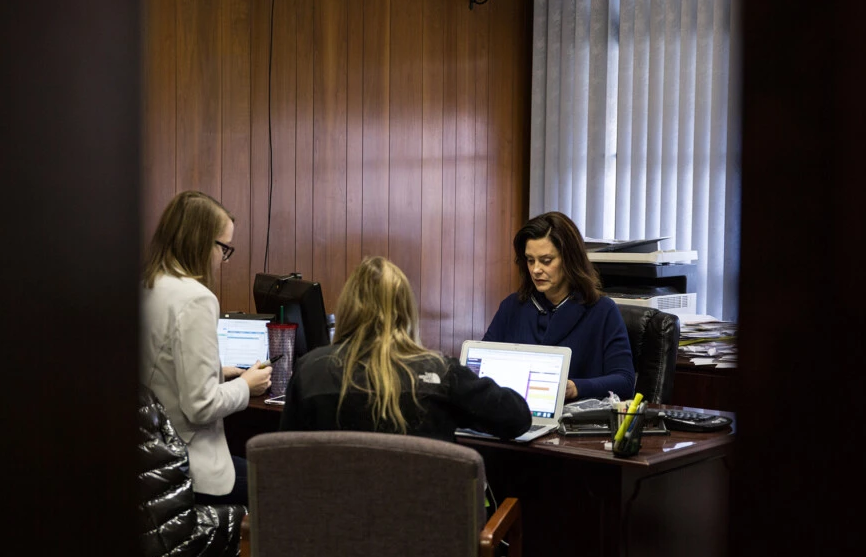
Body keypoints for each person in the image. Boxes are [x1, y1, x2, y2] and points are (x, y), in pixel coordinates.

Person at [280, 256, 531, 440]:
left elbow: (286, 457)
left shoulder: (310, 370)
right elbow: (517, 418)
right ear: (406, 311)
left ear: (346, 308)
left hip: (331, 511)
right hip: (423, 511)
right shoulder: (440, 373)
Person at [140, 190, 272, 506]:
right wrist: (245, 384)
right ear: (200, 242)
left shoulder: (150, 287)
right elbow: (201, 407)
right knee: (281, 487)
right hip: (192, 469)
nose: (223, 260)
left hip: (151, 463)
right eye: (224, 248)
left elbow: (160, 369)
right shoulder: (196, 299)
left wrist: (218, 372)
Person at [483, 211, 635, 402]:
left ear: (569, 260)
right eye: (530, 260)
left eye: (546, 261)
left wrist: (576, 388)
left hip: (573, 422)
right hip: (516, 418)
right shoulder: (512, 306)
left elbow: (625, 381)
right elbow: (482, 367)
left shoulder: (602, 311)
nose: (536, 269)